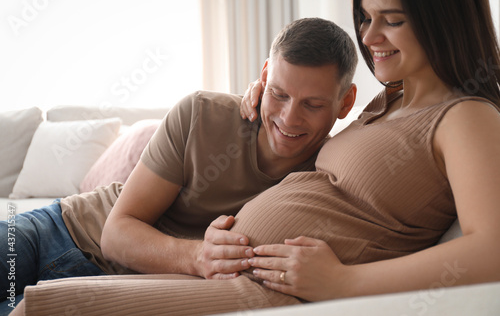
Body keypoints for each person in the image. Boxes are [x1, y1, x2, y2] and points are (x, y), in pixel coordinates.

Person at [11, 0, 500, 315]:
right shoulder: (388, 101)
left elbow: (493, 249)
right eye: (365, 17)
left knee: (40, 307)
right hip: (105, 240)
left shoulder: (466, 117)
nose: (369, 36)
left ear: (443, 18)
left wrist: (343, 285)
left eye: (390, 20)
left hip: (258, 289)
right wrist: (266, 97)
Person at [0, 17, 358, 312]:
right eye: (279, 94)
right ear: (264, 77)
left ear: (346, 102)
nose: (288, 118)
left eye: (312, 105)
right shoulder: (202, 114)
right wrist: (198, 255)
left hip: (110, 288)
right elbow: (115, 233)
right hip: (63, 229)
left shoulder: (330, 172)